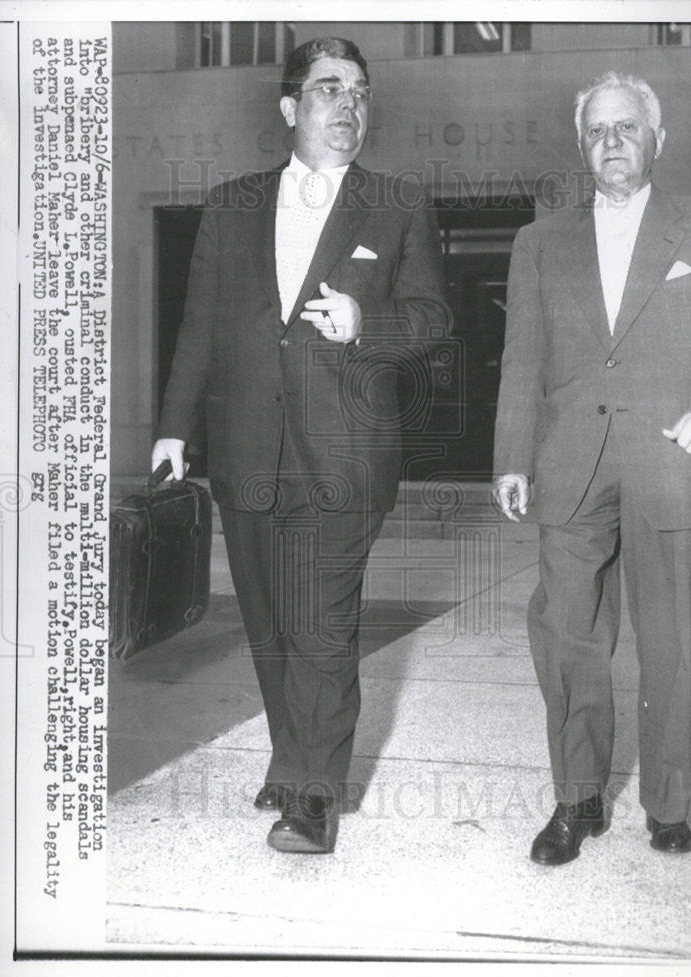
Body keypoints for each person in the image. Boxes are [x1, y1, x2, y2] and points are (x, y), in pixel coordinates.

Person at [152, 37, 451, 853]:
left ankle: (314, 796)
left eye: (359, 90)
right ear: (290, 109)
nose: (347, 104)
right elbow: (201, 330)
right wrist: (176, 428)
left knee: (320, 622)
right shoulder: (231, 204)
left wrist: (368, 324)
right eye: (328, 89)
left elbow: (432, 319)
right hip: (249, 451)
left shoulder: (395, 201)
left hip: (346, 454)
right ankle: (293, 760)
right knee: (271, 620)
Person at [493, 71, 691, 865]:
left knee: (670, 645)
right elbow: (520, 358)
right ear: (582, 144)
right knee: (567, 639)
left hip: (673, 461)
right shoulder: (539, 240)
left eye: (627, 128)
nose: (612, 142)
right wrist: (510, 454)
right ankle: (577, 801)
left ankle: (669, 804)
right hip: (568, 465)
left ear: (656, 139)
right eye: (598, 130)